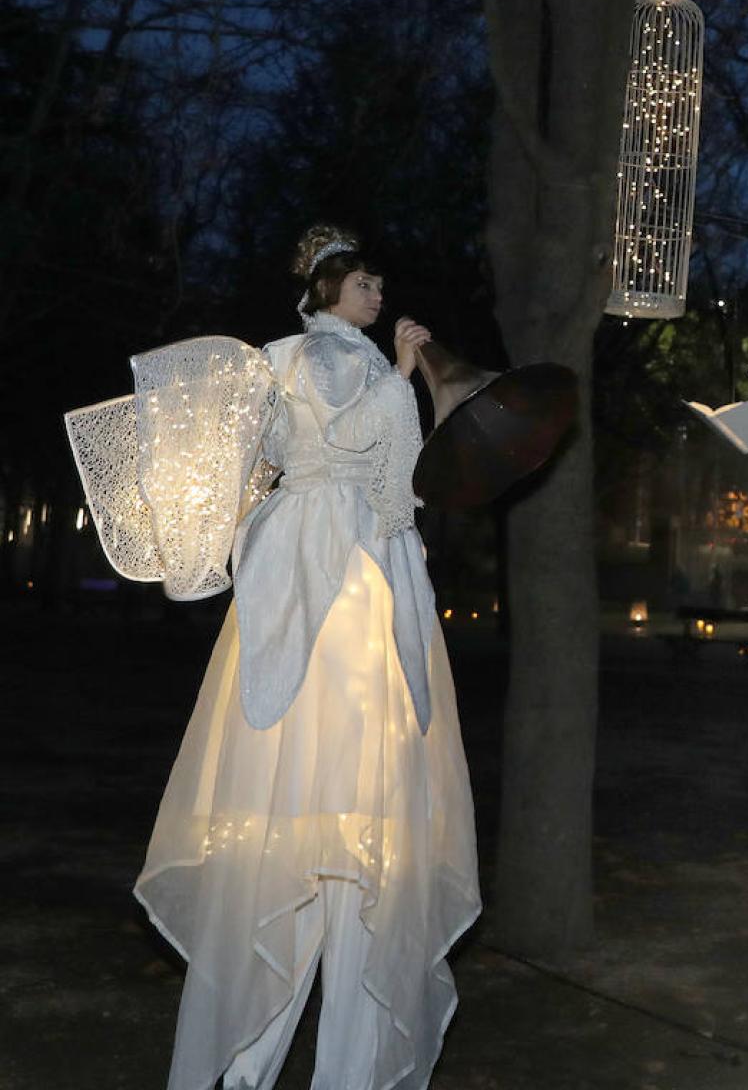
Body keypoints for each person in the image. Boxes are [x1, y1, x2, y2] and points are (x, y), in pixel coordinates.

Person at [134, 226, 480, 1089]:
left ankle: (336, 1064)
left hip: (358, 550)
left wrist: (401, 382)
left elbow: (396, 475)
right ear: (329, 289)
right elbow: (343, 438)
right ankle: (257, 1055)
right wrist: (400, 377)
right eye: (364, 285)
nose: (376, 296)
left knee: (361, 770)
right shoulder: (312, 357)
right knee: (315, 745)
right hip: (325, 558)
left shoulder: (347, 356)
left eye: (376, 285)